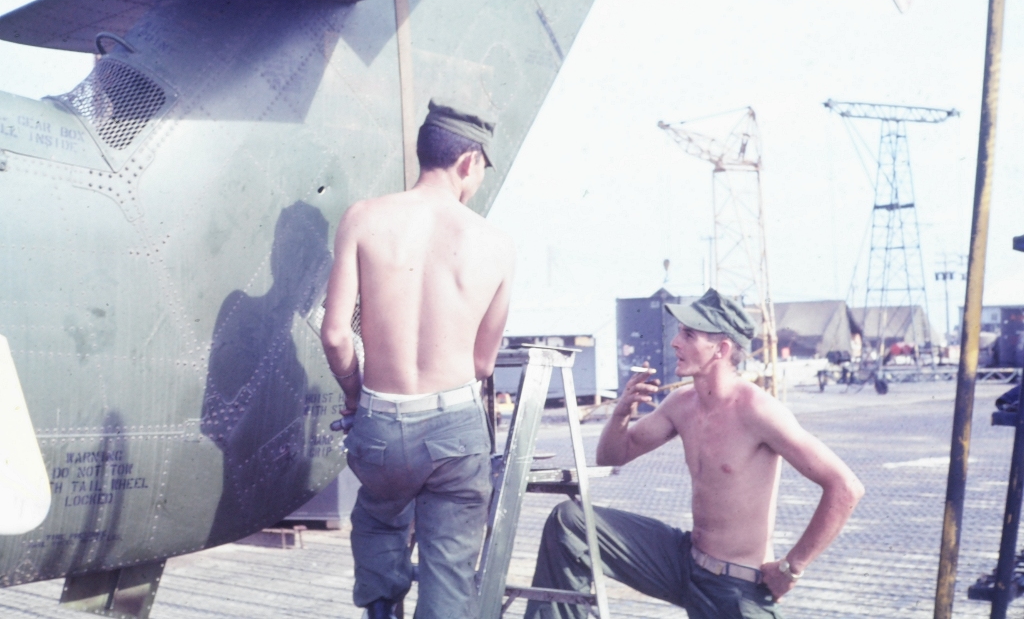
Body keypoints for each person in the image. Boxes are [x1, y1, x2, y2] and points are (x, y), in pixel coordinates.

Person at [524, 288, 864, 619]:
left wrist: (792, 567)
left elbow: (846, 487)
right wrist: (622, 412)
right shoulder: (681, 404)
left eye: (688, 335)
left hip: (735, 588)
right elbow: (612, 456)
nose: (675, 342)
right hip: (685, 563)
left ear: (721, 349)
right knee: (571, 522)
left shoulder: (758, 410)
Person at [320, 100, 515, 619]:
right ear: (469, 161)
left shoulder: (362, 218)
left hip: (382, 423)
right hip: (454, 428)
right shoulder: (497, 244)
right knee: (449, 570)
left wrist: (356, 396)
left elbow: (336, 335)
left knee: (379, 518)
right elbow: (482, 364)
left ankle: (382, 609)